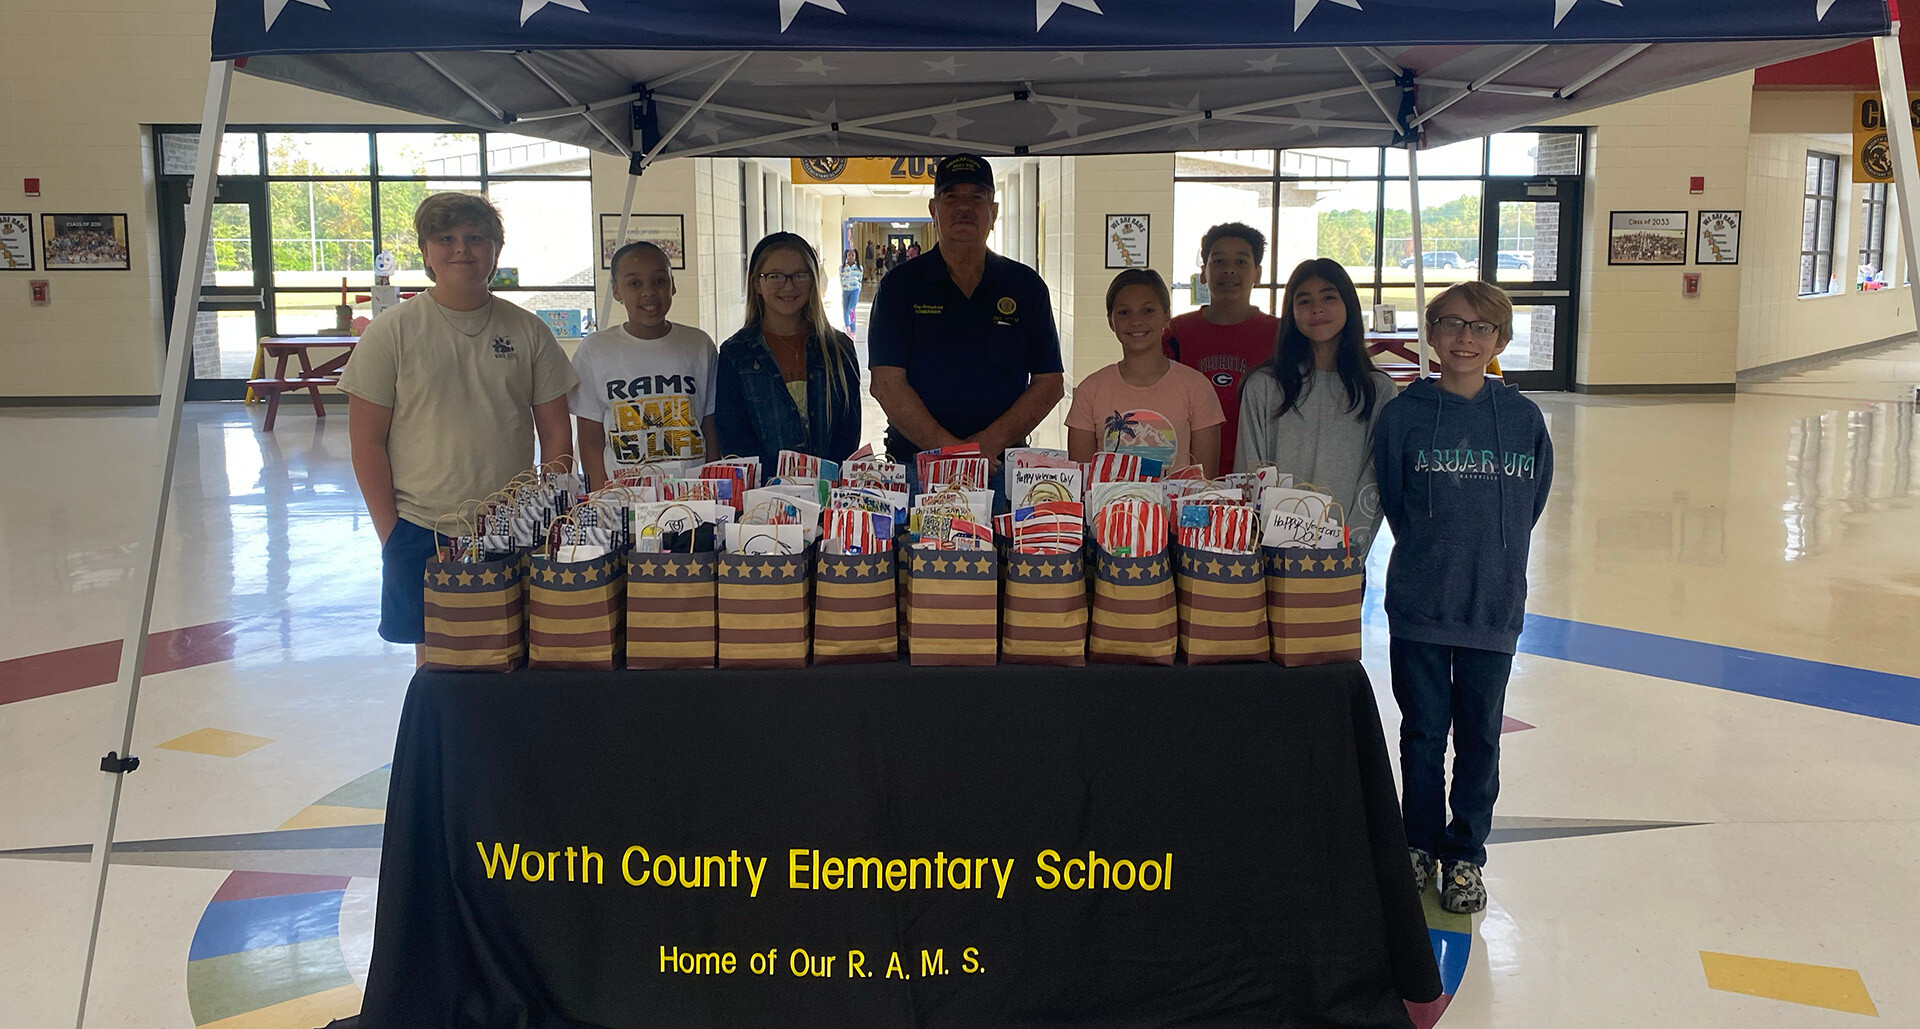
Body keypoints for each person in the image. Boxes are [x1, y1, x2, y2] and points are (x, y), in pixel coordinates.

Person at [1373, 281, 1554, 916]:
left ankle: (1466, 854)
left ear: (1500, 340)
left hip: (1491, 601)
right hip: (1422, 599)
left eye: (1481, 329)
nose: (1465, 338)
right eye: (1452, 324)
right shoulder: (1403, 415)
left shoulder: (1523, 418)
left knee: (1479, 735)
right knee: (1423, 731)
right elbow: (1396, 502)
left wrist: (1488, 555)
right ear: (1432, 333)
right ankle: (1419, 842)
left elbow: (1529, 506)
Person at [339, 192, 577, 659]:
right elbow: (366, 441)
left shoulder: (528, 331)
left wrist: (547, 514)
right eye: (445, 238)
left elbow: (556, 434)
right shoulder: (392, 332)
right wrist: (391, 532)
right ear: (427, 253)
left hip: (513, 527)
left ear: (495, 251)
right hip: (420, 525)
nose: (461, 249)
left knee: (515, 650)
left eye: (475, 238)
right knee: (435, 661)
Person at [869, 153, 1065, 498]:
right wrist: (951, 451)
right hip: (917, 468)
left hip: (1002, 468)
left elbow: (1049, 383)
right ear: (933, 211)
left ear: (994, 211)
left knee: (1006, 554)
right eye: (951, 197)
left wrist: (985, 446)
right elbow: (886, 384)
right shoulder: (900, 287)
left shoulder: (1025, 286)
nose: (964, 207)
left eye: (976, 197)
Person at [1237, 259, 1397, 555]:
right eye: (1304, 300)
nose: (1317, 308)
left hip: (1343, 556)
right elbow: (1250, 469)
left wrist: (1347, 550)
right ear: (1291, 313)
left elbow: (1374, 480)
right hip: (1271, 554)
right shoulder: (1264, 385)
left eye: (1328, 297)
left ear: (1348, 303)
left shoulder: (1378, 390)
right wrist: (1261, 544)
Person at [569, 241, 718, 490]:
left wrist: (712, 489)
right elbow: (591, 440)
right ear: (616, 291)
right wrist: (601, 498)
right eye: (634, 284)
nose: (649, 292)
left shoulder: (698, 345)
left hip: (691, 494)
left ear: (673, 285)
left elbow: (709, 427)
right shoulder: (594, 350)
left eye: (659, 281)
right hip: (625, 496)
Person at [713, 232, 863, 473]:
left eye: (800, 275)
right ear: (757, 284)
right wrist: (782, 488)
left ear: (813, 281)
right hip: (764, 499)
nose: (789, 285)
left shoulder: (838, 348)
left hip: (829, 493)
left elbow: (848, 432)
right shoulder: (735, 354)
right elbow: (734, 438)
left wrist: (823, 484)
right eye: (775, 276)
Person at [1066, 269, 1224, 477]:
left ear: (1167, 315)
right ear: (1111, 321)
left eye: (1148, 310)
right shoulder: (1090, 390)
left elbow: (1205, 482)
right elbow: (1082, 480)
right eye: (1124, 312)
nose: (1136, 320)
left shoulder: (1196, 387)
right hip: (1106, 510)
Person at [1164, 222, 1280, 473]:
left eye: (1240, 262)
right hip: (1188, 473)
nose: (1229, 271)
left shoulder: (1280, 334)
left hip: (1259, 470)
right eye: (1219, 262)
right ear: (1203, 272)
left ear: (1258, 273)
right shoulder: (1177, 332)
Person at [840, 248, 864, 335]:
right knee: (845, 309)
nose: (851, 257)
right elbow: (841, 279)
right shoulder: (842, 268)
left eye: (852, 255)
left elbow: (860, 280)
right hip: (846, 290)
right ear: (846, 256)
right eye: (849, 255)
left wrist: (858, 290)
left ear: (855, 257)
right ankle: (847, 325)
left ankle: (853, 329)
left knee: (851, 309)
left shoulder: (859, 268)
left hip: (855, 290)